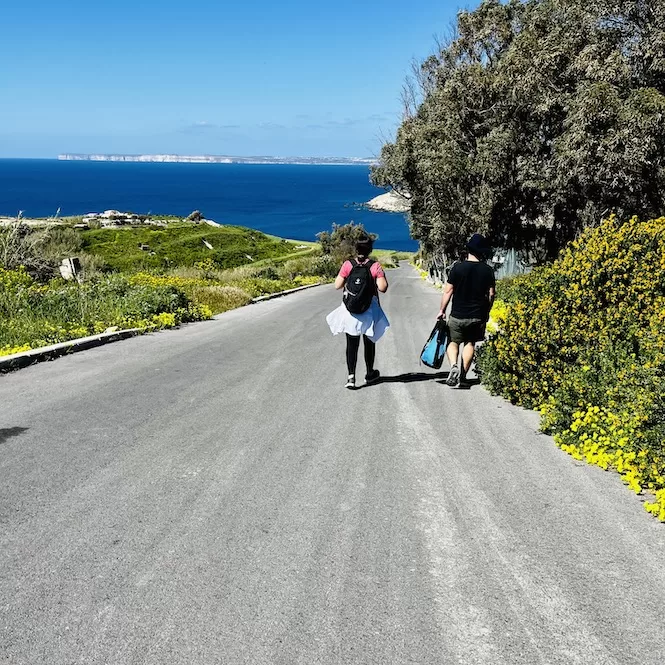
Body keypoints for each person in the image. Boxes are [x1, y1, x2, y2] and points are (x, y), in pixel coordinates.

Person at [326, 235, 389, 389]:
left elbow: (337, 285)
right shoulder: (375, 266)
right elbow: (383, 288)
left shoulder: (348, 264)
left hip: (351, 311)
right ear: (370, 249)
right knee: (369, 343)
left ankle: (351, 376)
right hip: (369, 310)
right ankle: (369, 373)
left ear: (356, 249)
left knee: (351, 344)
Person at [436, 233, 495, 387]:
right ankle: (462, 377)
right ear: (481, 251)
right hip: (477, 316)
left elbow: (448, 291)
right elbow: (491, 294)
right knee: (470, 343)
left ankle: (454, 366)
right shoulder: (488, 270)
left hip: (457, 315)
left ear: (468, 250)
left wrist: (442, 310)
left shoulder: (457, 268)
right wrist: (487, 311)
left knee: (453, 342)